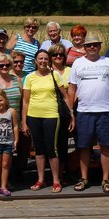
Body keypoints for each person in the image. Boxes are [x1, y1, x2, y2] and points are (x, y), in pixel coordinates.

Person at [68, 36, 109, 194]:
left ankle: (106, 179)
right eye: (89, 45)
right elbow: (72, 89)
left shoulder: (108, 62)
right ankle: (84, 178)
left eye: (95, 45)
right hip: (84, 111)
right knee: (84, 146)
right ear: (84, 47)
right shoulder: (78, 63)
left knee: (106, 146)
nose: (92, 47)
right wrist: (71, 111)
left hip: (105, 111)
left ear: (100, 46)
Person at [22, 49, 73, 193]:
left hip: (51, 115)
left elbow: (65, 95)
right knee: (38, 149)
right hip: (34, 115)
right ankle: (40, 179)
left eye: (45, 58)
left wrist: (71, 113)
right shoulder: (30, 77)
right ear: (35, 61)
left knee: (52, 148)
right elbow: (25, 101)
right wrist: (24, 121)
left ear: (48, 61)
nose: (43, 61)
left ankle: (56, 180)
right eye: (40, 58)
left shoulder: (54, 75)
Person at [49, 43, 72, 182]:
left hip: (65, 111)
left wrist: (71, 112)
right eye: (54, 54)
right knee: (51, 144)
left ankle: (63, 173)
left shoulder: (70, 70)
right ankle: (53, 174)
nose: (58, 57)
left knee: (63, 144)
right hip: (50, 111)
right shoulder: (46, 70)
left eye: (61, 54)